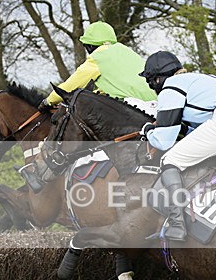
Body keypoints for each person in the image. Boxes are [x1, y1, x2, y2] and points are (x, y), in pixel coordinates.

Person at [139, 51, 216, 241]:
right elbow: (199, 134)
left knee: (170, 160)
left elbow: (164, 141)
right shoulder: (197, 80)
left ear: (156, 79)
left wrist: (148, 131)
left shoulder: (171, 86)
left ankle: (177, 224)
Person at [22, 21, 155, 192]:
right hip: (156, 105)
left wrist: (48, 101)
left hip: (133, 108)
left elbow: (71, 85)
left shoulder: (98, 58)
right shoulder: (126, 52)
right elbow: (114, 87)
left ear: (91, 45)